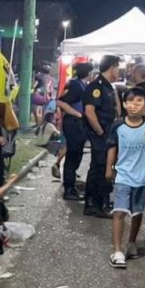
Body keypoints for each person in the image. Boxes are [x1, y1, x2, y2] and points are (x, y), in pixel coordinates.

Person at [105, 88, 145, 268]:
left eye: (139, 102)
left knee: (137, 212)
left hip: (143, 177)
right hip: (123, 175)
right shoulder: (117, 126)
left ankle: (132, 243)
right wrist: (109, 169)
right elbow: (112, 147)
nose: (134, 105)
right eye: (130, 102)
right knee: (119, 212)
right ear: (124, 104)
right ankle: (117, 250)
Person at [84, 55, 122, 217]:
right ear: (111, 67)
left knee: (103, 166)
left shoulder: (108, 87)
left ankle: (99, 202)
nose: (119, 71)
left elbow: (116, 110)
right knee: (99, 167)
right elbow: (89, 111)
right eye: (118, 67)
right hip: (101, 133)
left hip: (108, 132)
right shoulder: (96, 86)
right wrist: (99, 131)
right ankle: (94, 204)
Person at [58, 62, 93, 201]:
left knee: (77, 155)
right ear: (88, 73)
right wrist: (77, 114)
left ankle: (71, 185)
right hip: (73, 124)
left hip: (77, 124)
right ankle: (69, 189)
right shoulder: (76, 86)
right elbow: (61, 102)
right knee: (72, 156)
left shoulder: (81, 85)